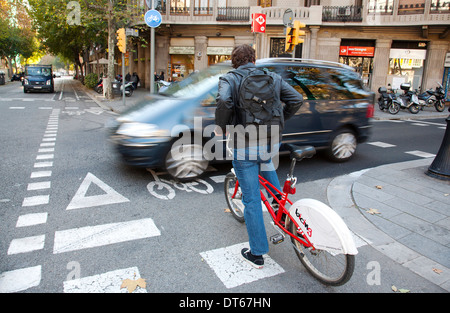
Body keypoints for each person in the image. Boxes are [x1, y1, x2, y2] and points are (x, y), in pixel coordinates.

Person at [215, 44, 302, 269]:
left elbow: (224, 102)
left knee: (252, 199)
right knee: (266, 163)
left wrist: (221, 127)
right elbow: (296, 100)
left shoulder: (229, 79)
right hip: (271, 140)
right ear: (254, 58)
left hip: (244, 143)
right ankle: (280, 212)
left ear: (235, 61)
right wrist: (281, 120)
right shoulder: (272, 77)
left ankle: (257, 253)